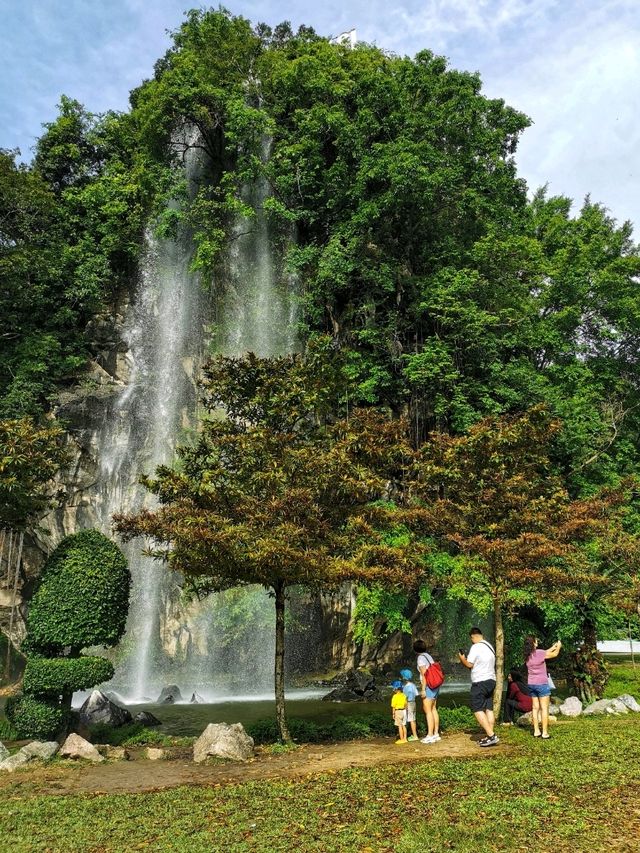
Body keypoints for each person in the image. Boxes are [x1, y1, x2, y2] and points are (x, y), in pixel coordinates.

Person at [458, 627, 499, 747]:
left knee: (477, 709)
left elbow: (469, 664)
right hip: (491, 681)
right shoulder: (490, 646)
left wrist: (462, 659)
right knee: (488, 708)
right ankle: (489, 735)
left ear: (473, 636)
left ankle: (491, 736)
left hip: (480, 682)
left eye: (471, 639)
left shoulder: (476, 647)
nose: (472, 641)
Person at [524, 635, 562, 739]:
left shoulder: (527, 655)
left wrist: (552, 646)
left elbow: (545, 652)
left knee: (535, 708)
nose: (537, 643)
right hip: (542, 684)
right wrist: (558, 646)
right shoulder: (539, 653)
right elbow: (554, 654)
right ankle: (544, 733)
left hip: (531, 684)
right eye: (536, 641)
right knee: (544, 708)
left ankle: (536, 731)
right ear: (533, 643)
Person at [413, 639, 440, 744]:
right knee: (433, 709)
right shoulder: (428, 656)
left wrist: (423, 689)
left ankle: (430, 735)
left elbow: (425, 675)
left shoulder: (420, 658)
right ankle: (436, 733)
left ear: (415, 649)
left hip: (429, 685)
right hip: (435, 684)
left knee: (427, 710)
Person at [400, 669, 419, 741]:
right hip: (413, 702)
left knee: (410, 719)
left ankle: (415, 736)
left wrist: (405, 706)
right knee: (413, 719)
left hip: (408, 703)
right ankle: (414, 734)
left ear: (404, 678)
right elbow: (416, 694)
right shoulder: (413, 685)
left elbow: (405, 697)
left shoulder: (406, 687)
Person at [390, 679, 408, 744]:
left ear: (395, 689)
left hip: (398, 711)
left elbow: (393, 706)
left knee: (399, 726)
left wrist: (393, 714)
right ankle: (405, 738)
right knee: (404, 725)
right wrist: (406, 710)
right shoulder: (404, 695)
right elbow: (406, 704)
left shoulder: (394, 696)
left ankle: (402, 739)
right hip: (404, 711)